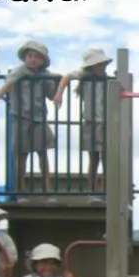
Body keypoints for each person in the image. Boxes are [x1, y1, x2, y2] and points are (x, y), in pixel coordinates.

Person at [0, 40, 59, 197]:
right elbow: (6, 87)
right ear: (25, 58)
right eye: (29, 56)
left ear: (42, 61)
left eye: (36, 57)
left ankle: (48, 189)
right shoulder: (19, 71)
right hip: (21, 116)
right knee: (21, 155)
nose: (32, 59)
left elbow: (51, 96)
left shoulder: (44, 75)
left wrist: (57, 83)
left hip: (39, 117)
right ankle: (21, 190)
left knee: (42, 153)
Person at [53, 48, 112, 197]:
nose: (102, 67)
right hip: (91, 121)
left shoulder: (108, 80)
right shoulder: (83, 76)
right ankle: (93, 190)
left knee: (107, 157)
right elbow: (67, 77)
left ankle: (106, 191)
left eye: (103, 64)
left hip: (106, 122)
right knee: (94, 158)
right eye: (98, 64)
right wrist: (59, 94)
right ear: (91, 66)